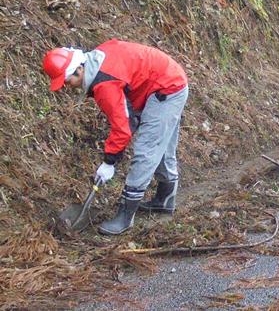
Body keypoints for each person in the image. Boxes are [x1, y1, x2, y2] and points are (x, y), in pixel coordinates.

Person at [42, 39, 189, 235]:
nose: (67, 87)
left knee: (147, 150)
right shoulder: (98, 59)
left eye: (67, 81)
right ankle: (165, 199)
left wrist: (109, 162)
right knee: (159, 143)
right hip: (161, 80)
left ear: (79, 70)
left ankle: (125, 216)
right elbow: (126, 111)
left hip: (167, 88)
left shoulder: (104, 84)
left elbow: (122, 128)